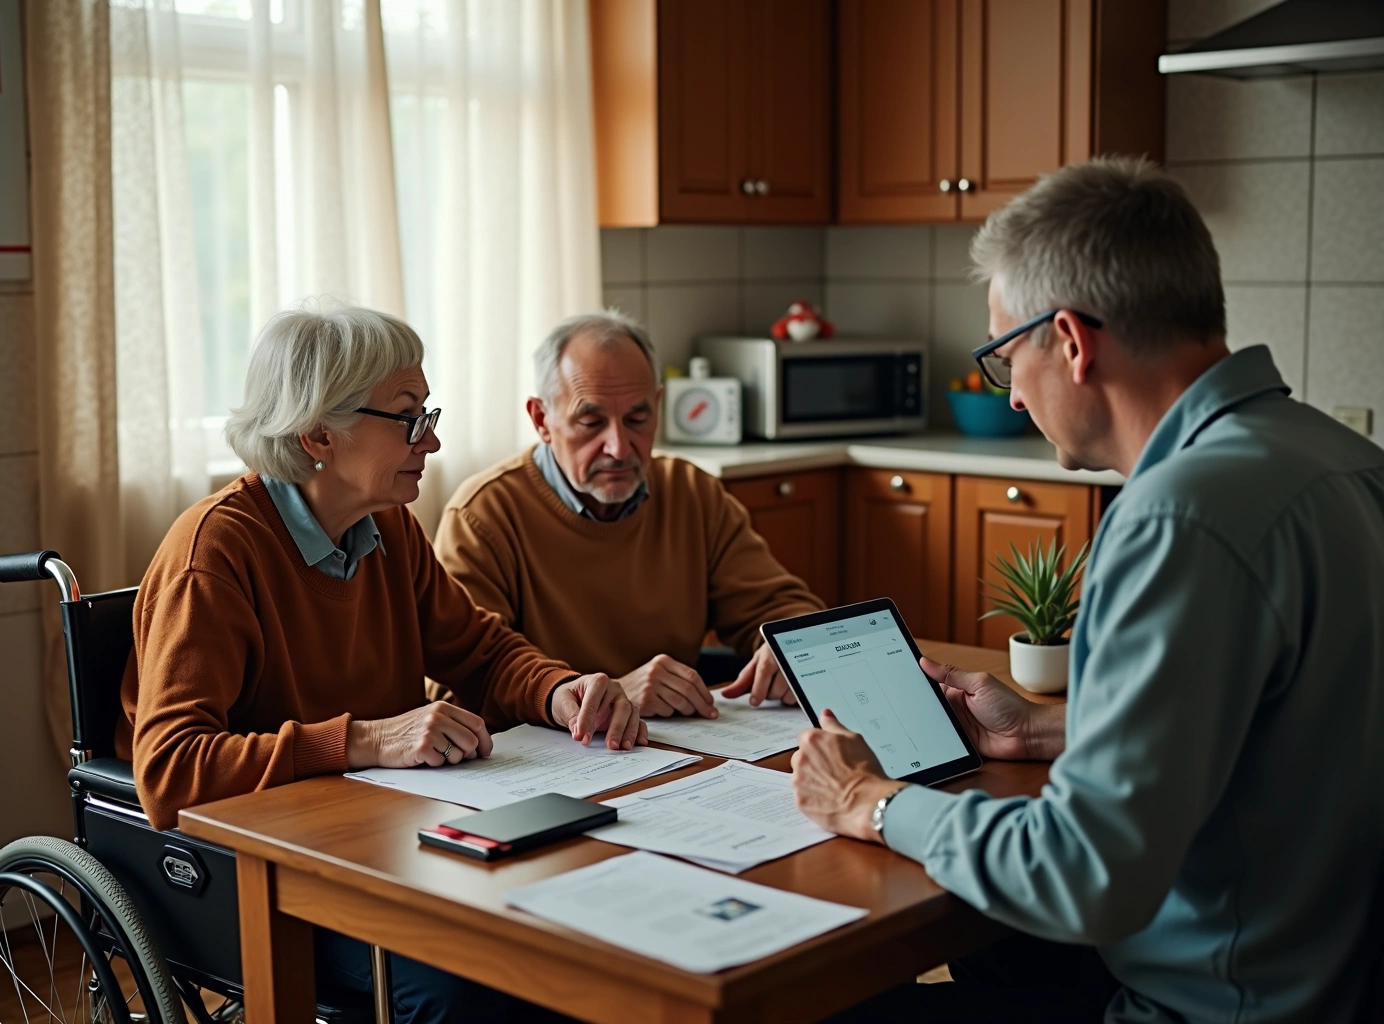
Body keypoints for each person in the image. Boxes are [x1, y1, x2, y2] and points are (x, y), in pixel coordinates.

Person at [791, 157, 1384, 1023]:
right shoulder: (1342, 461)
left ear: (1070, 340)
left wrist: (871, 803)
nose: (1017, 398)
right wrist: (1050, 730)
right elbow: (1291, 730)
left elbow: (1081, 877)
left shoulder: (1175, 518)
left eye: (1003, 355)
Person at [119, 303, 644, 1024]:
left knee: (569, 931)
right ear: (317, 435)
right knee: (475, 987)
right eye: (408, 417)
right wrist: (364, 739)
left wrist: (560, 690)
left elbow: (482, 652)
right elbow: (170, 773)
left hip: (382, 847)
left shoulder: (388, 527)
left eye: (427, 412)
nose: (431, 439)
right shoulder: (215, 553)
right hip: (271, 878)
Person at [433, 311, 826, 719]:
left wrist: (789, 646)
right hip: (556, 762)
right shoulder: (483, 515)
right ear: (541, 420)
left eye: (637, 419)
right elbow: (456, 687)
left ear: (658, 406)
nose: (619, 448)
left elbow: (780, 605)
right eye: (591, 422)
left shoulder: (691, 492)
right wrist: (608, 696)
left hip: (680, 749)